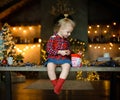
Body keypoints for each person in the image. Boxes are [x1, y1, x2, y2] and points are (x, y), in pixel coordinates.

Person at [45, 17, 75, 95]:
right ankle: (56, 86)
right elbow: (49, 49)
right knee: (50, 66)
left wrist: (68, 52)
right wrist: (58, 52)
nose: (69, 34)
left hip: (64, 58)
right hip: (53, 58)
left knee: (67, 66)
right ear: (60, 29)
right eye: (68, 32)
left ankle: (59, 85)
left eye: (70, 32)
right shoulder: (53, 38)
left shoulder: (66, 40)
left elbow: (68, 49)